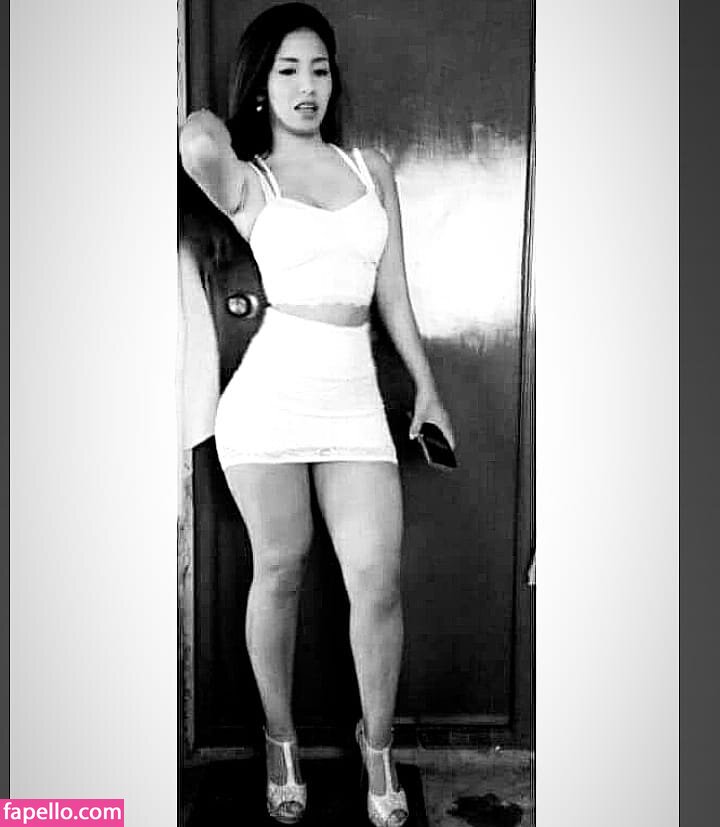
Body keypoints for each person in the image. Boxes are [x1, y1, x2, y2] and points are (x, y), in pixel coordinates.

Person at [179, 4, 454, 825]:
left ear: (337, 81)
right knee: (281, 570)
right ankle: (281, 740)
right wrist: (229, 115)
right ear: (263, 84)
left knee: (376, 579)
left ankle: (379, 747)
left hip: (354, 403)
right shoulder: (248, 179)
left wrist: (428, 387)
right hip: (267, 403)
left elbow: (393, 294)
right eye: (288, 69)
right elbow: (196, 141)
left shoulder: (372, 169)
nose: (308, 86)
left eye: (320, 70)